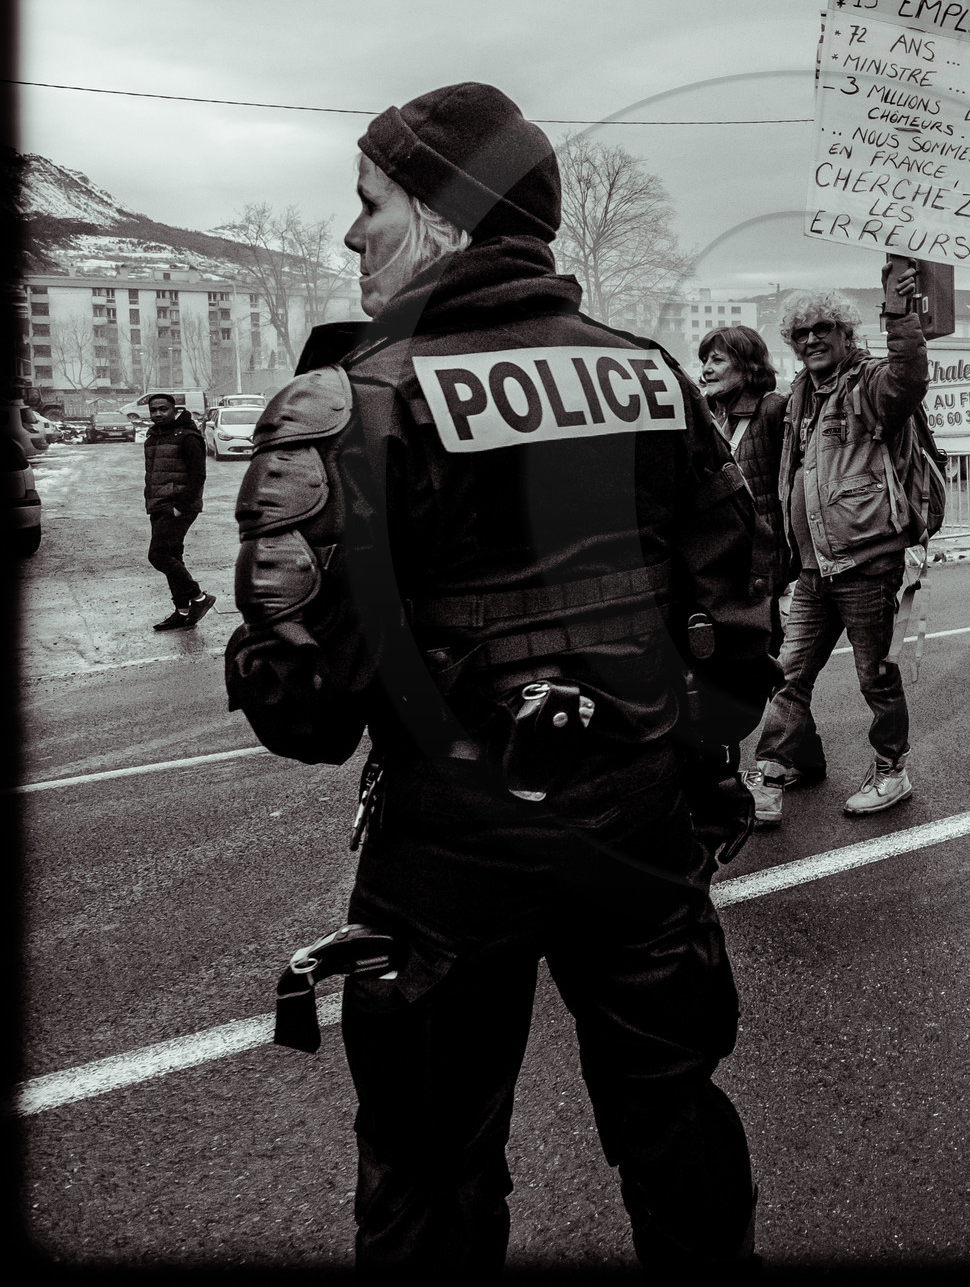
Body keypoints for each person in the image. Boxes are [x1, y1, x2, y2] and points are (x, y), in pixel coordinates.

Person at [224, 81, 777, 1273]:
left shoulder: (355, 403)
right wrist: (696, 776)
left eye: (368, 203)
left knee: (431, 1163)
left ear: (439, 214)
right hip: (638, 819)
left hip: (448, 852)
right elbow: (740, 624)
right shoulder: (652, 377)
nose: (349, 233)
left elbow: (305, 715)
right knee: (673, 1113)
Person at [745, 279, 929, 825]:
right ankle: (773, 770)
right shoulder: (801, 393)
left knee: (875, 678)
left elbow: (910, 375)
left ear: (846, 333)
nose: (810, 340)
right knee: (789, 673)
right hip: (813, 569)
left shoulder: (870, 384)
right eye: (799, 333)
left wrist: (899, 313)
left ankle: (892, 771)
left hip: (867, 562)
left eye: (821, 329)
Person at [699, 324, 790, 652]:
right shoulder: (712, 419)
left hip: (764, 577)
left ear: (750, 366)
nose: (707, 368)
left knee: (772, 674)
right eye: (705, 360)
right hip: (727, 573)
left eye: (718, 360)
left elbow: (790, 490)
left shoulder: (773, 410)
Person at [144, 392, 215, 631]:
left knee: (158, 555)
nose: (157, 414)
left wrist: (180, 507)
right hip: (159, 504)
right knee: (172, 556)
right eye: (153, 410)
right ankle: (182, 611)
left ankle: (199, 598)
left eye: (163, 409)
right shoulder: (154, 436)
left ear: (175, 410)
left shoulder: (187, 437)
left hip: (176, 506)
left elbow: (198, 476)